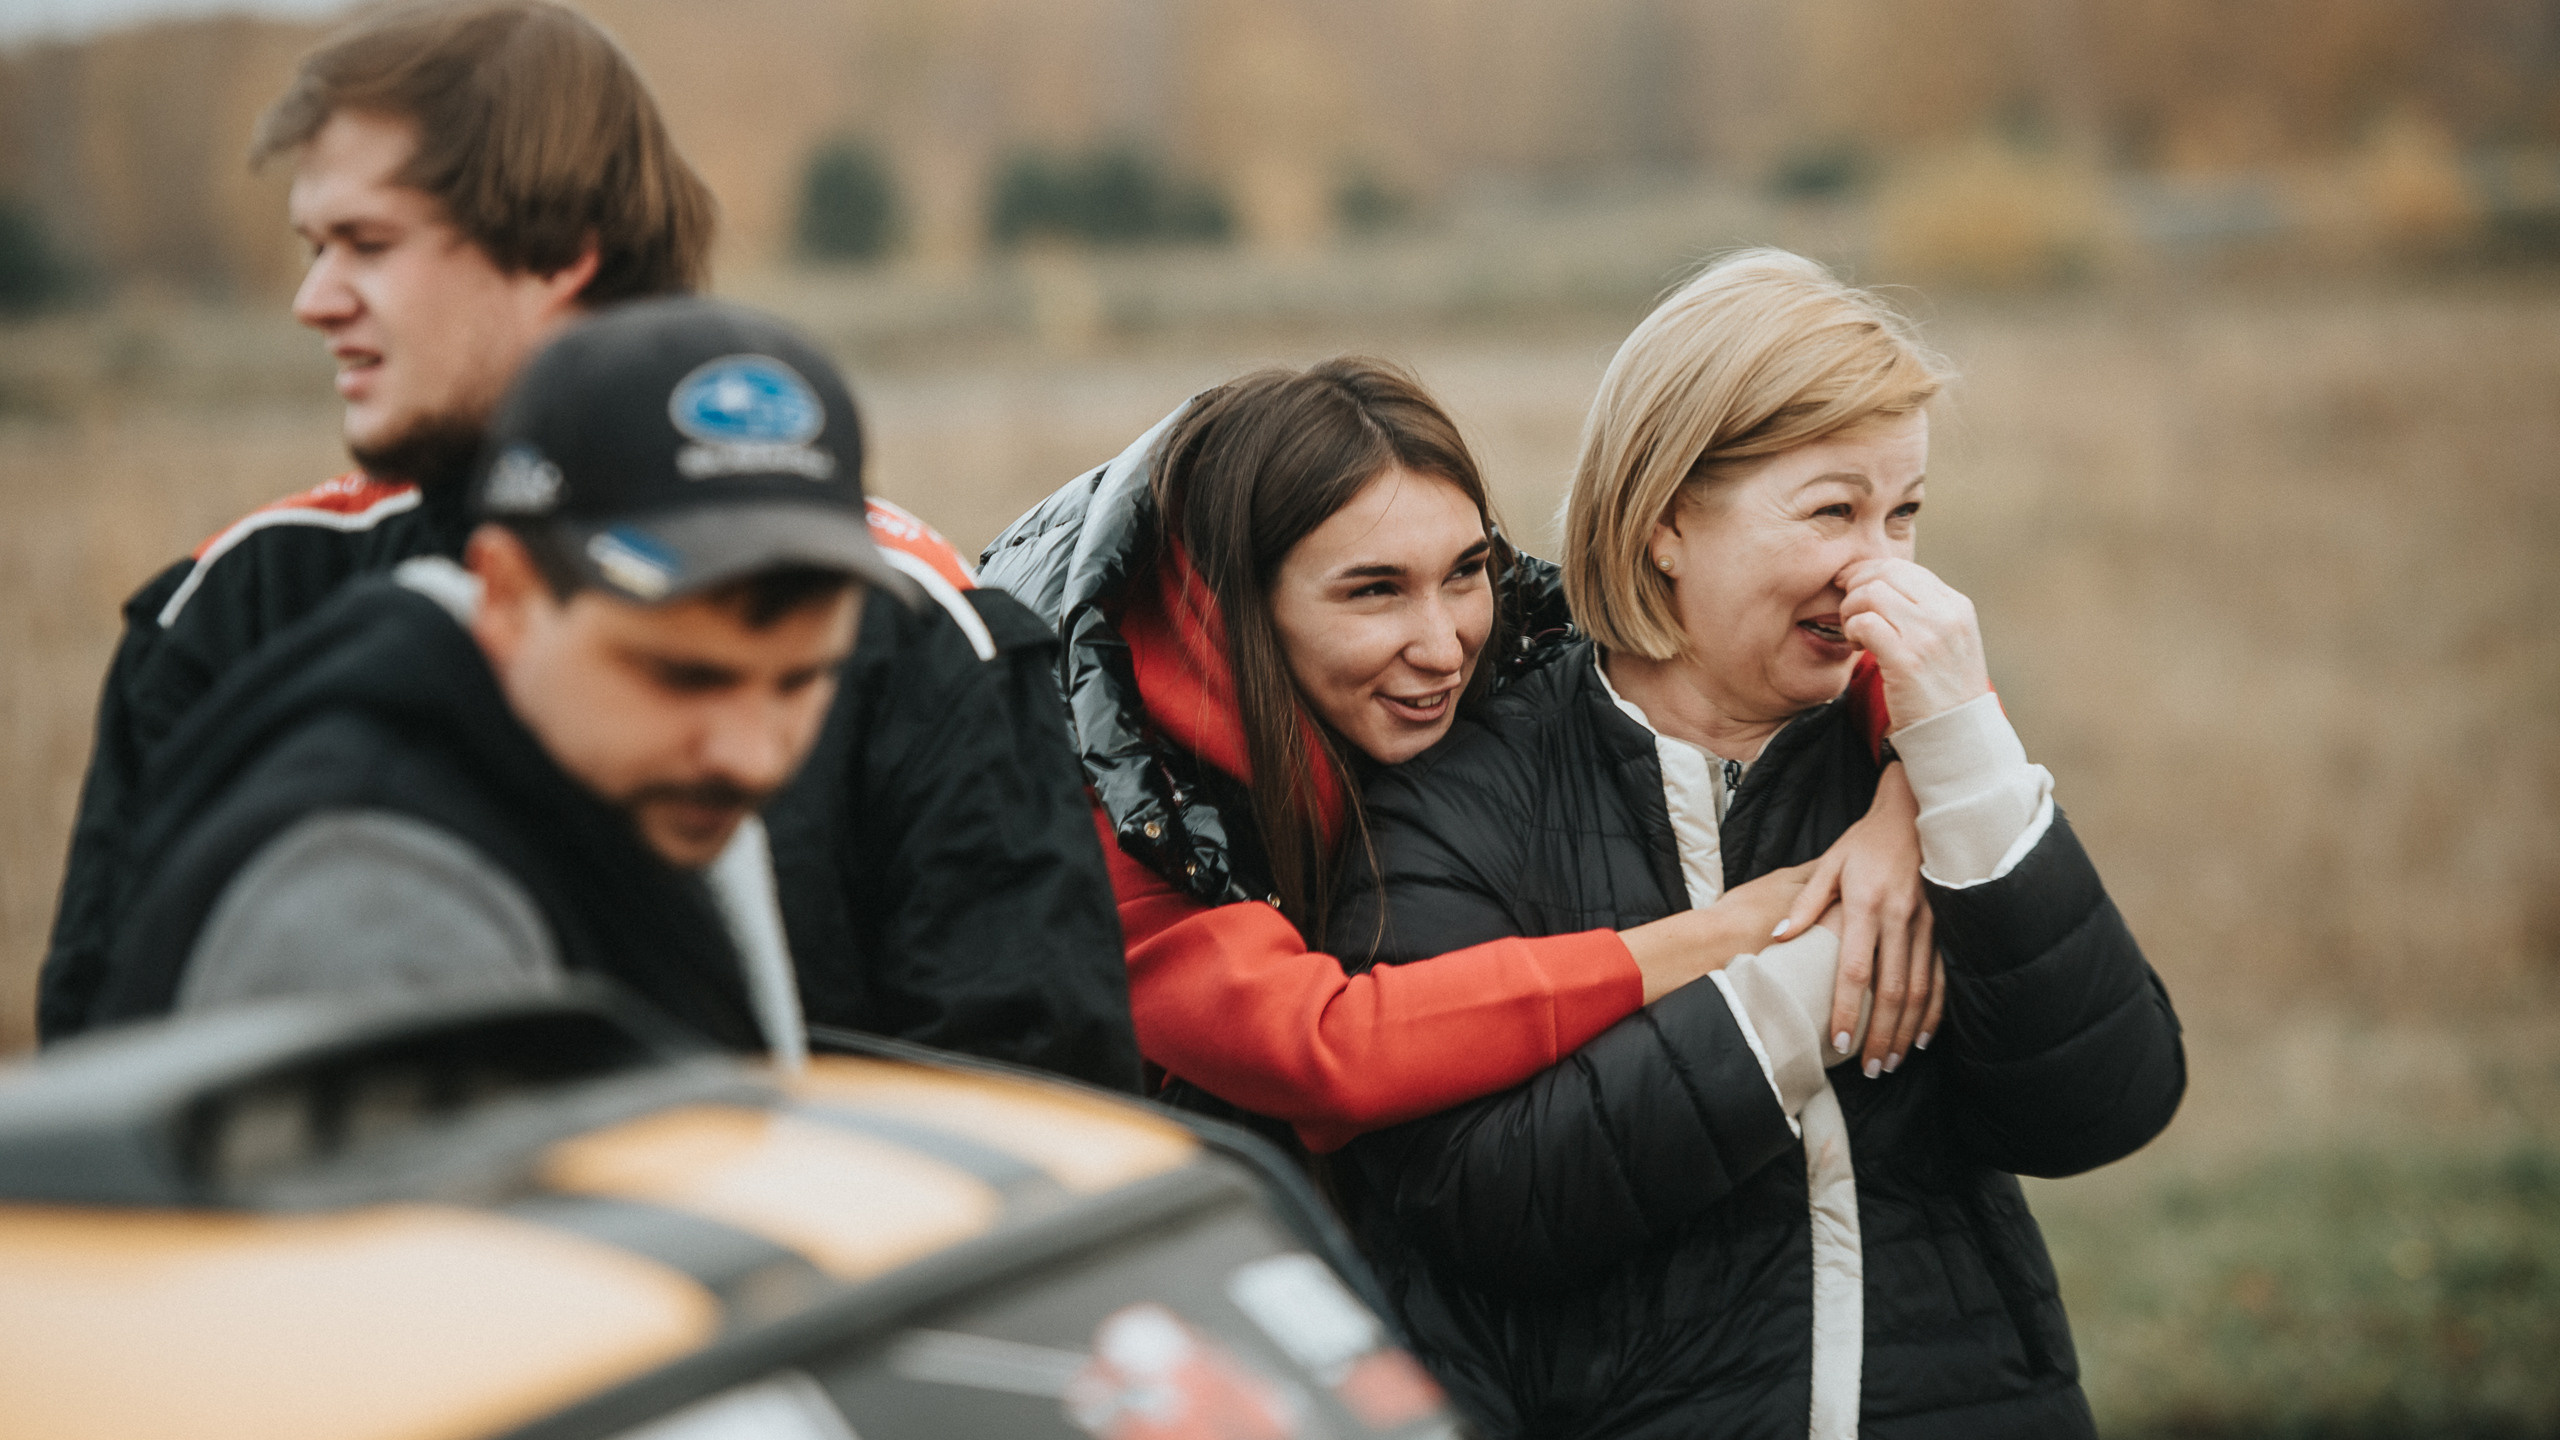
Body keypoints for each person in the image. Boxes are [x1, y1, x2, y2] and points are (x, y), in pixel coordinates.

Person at [38, 0, 1135, 1086]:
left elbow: (1041, 1091)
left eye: (366, 244)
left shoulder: (907, 612)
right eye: (314, 246)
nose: (312, 300)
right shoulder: (238, 600)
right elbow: (107, 1077)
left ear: (558, 249)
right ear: (501, 600)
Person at [1324, 252, 2188, 1439]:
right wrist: (1805, 979)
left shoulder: (1923, 770)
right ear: (1667, 521)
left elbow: (2101, 1107)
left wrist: (1968, 766)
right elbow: (1481, 1199)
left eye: (1905, 512)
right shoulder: (1462, 792)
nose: (1880, 563)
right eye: (1832, 509)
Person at [979, 357, 1940, 1155]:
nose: (1444, 645)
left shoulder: (1509, 636)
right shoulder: (1106, 783)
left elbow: (1789, 645)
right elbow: (1325, 1052)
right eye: (1373, 593)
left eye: (1465, 571)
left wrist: (1908, 805)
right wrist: (1727, 933)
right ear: (1239, 605)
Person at [91, 300, 910, 1053]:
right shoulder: (379, 908)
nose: (751, 754)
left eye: (803, 682)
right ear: (509, 596)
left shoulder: (629, 787)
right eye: (682, 679)